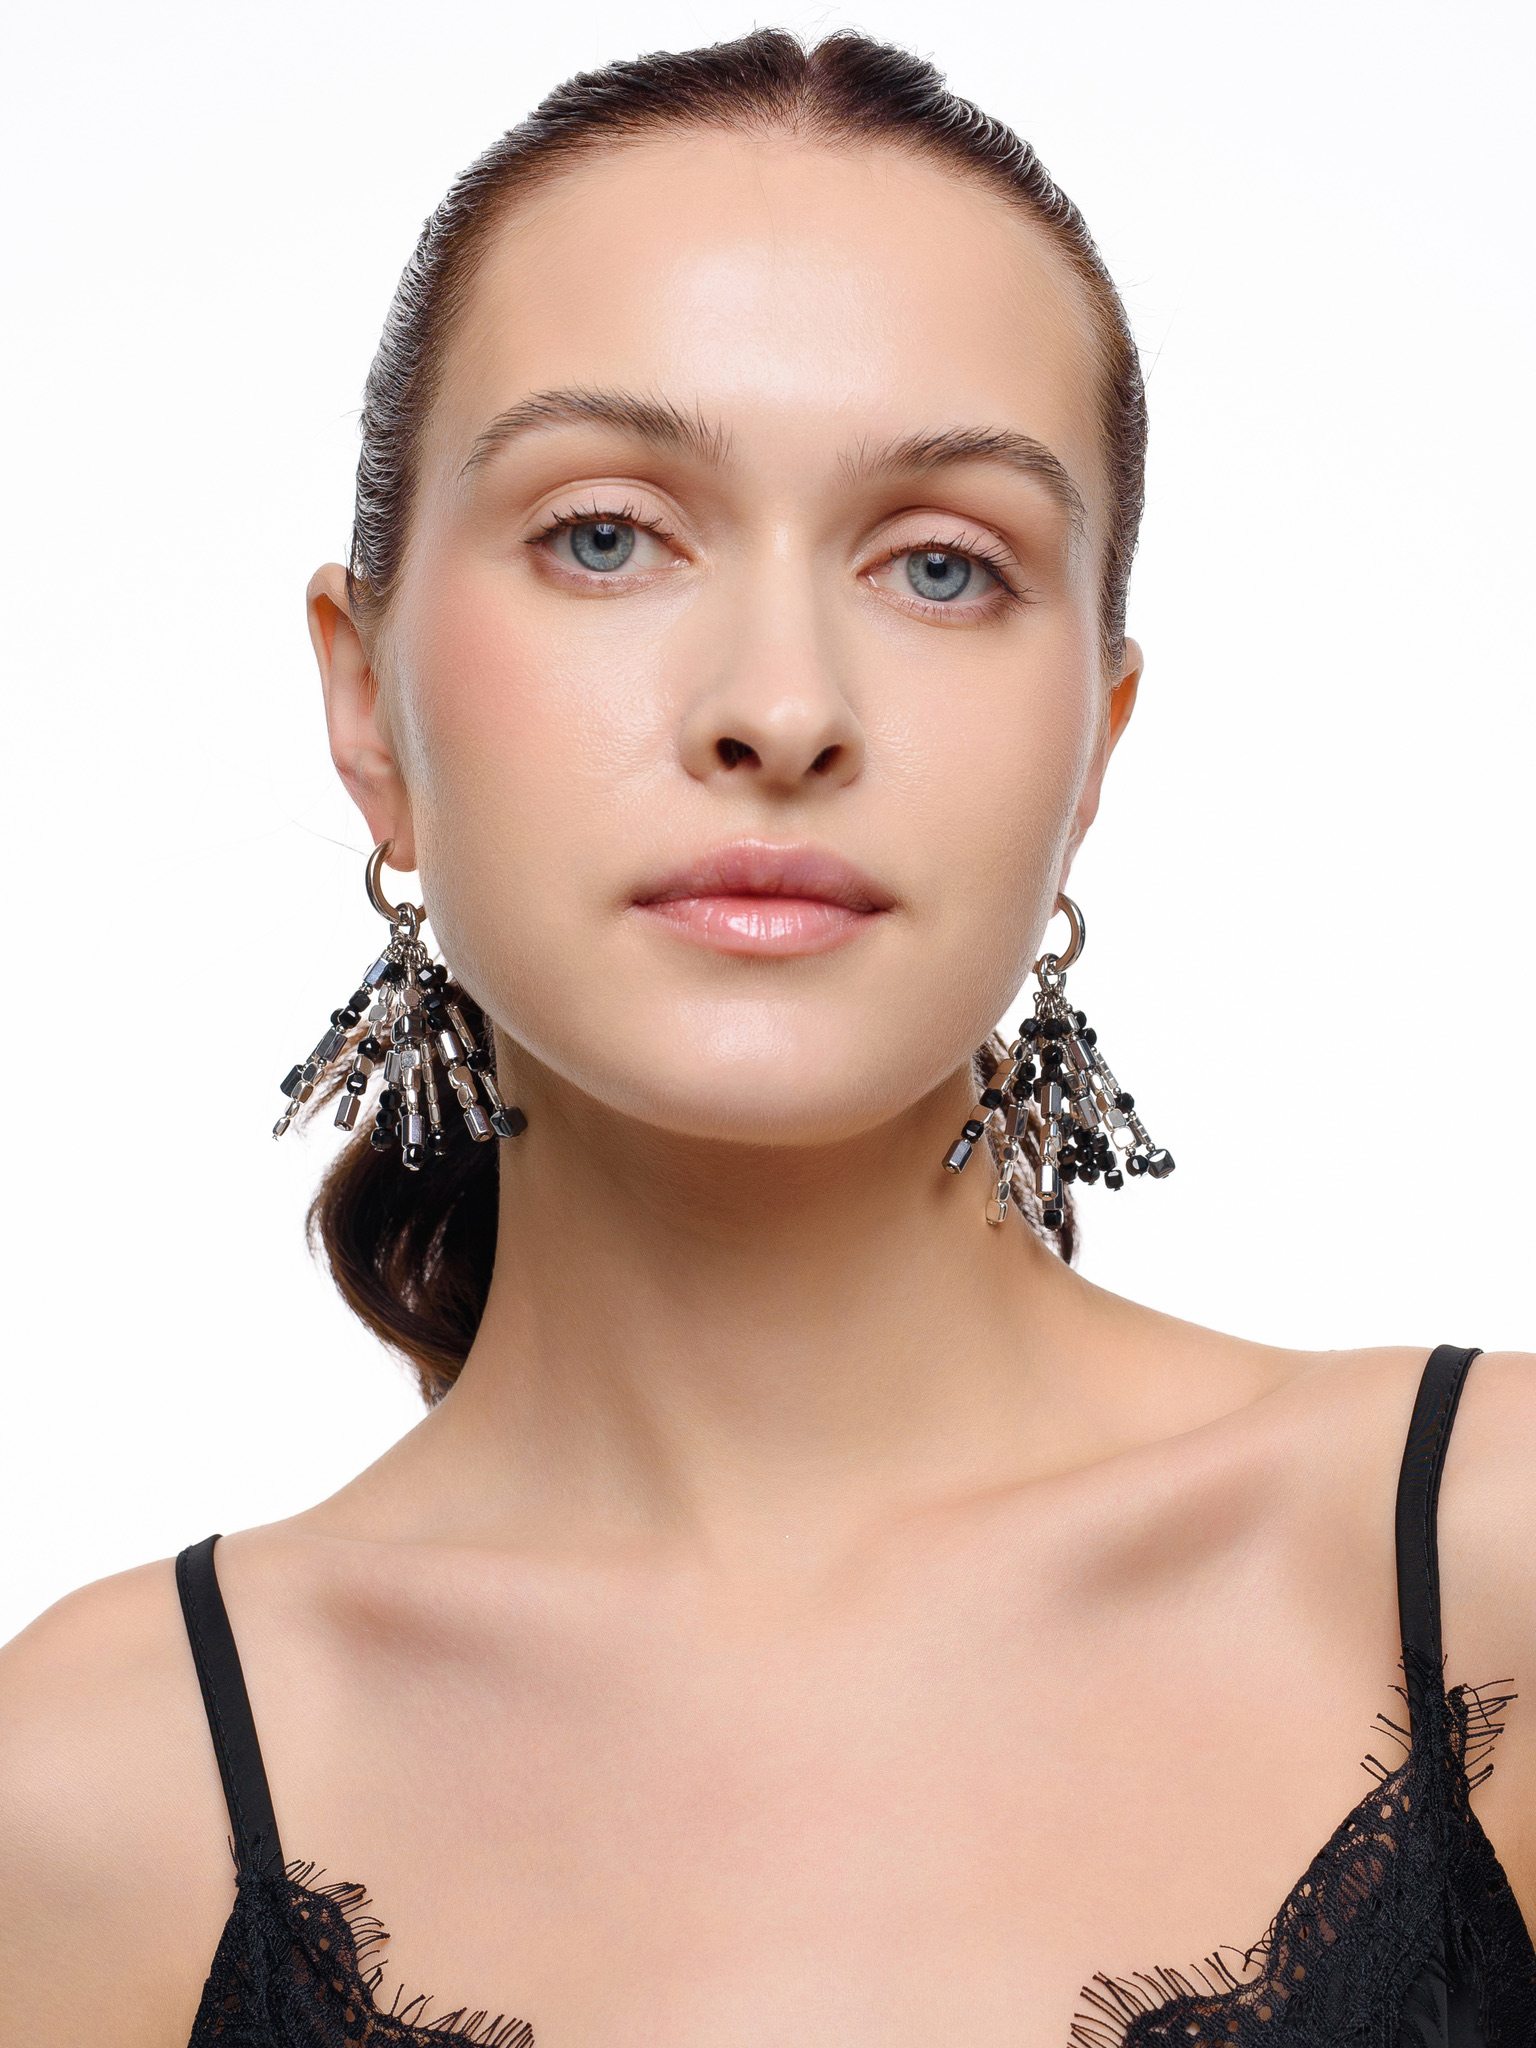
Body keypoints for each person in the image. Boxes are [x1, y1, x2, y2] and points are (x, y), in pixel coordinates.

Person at [0, 28, 1531, 2048]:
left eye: (942, 566)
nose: (782, 707)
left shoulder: (1490, 1560)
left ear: (1094, 747)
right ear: (366, 703)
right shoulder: (92, 1798)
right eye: (607, 535)